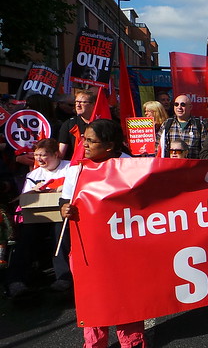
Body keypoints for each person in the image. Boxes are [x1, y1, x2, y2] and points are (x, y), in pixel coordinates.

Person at [59, 119, 146, 347]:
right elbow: (64, 199)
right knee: (93, 298)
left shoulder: (130, 166)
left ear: (109, 146)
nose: (84, 145)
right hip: (88, 249)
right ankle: (94, 344)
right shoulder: (77, 168)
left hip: (123, 248)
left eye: (90, 140)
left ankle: (132, 342)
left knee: (127, 298)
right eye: (84, 139)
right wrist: (63, 209)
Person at [6, 138, 69, 297]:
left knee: (59, 234)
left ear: (56, 154)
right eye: (36, 155)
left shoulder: (70, 168)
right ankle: (16, 281)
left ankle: (64, 277)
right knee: (26, 237)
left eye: (43, 155)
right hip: (38, 215)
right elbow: (28, 199)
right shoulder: (33, 175)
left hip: (62, 214)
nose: (39, 159)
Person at [58, 90, 96, 160]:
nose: (78, 105)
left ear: (93, 104)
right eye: (76, 102)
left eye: (83, 102)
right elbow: (61, 153)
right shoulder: (69, 124)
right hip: (74, 165)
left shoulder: (101, 124)